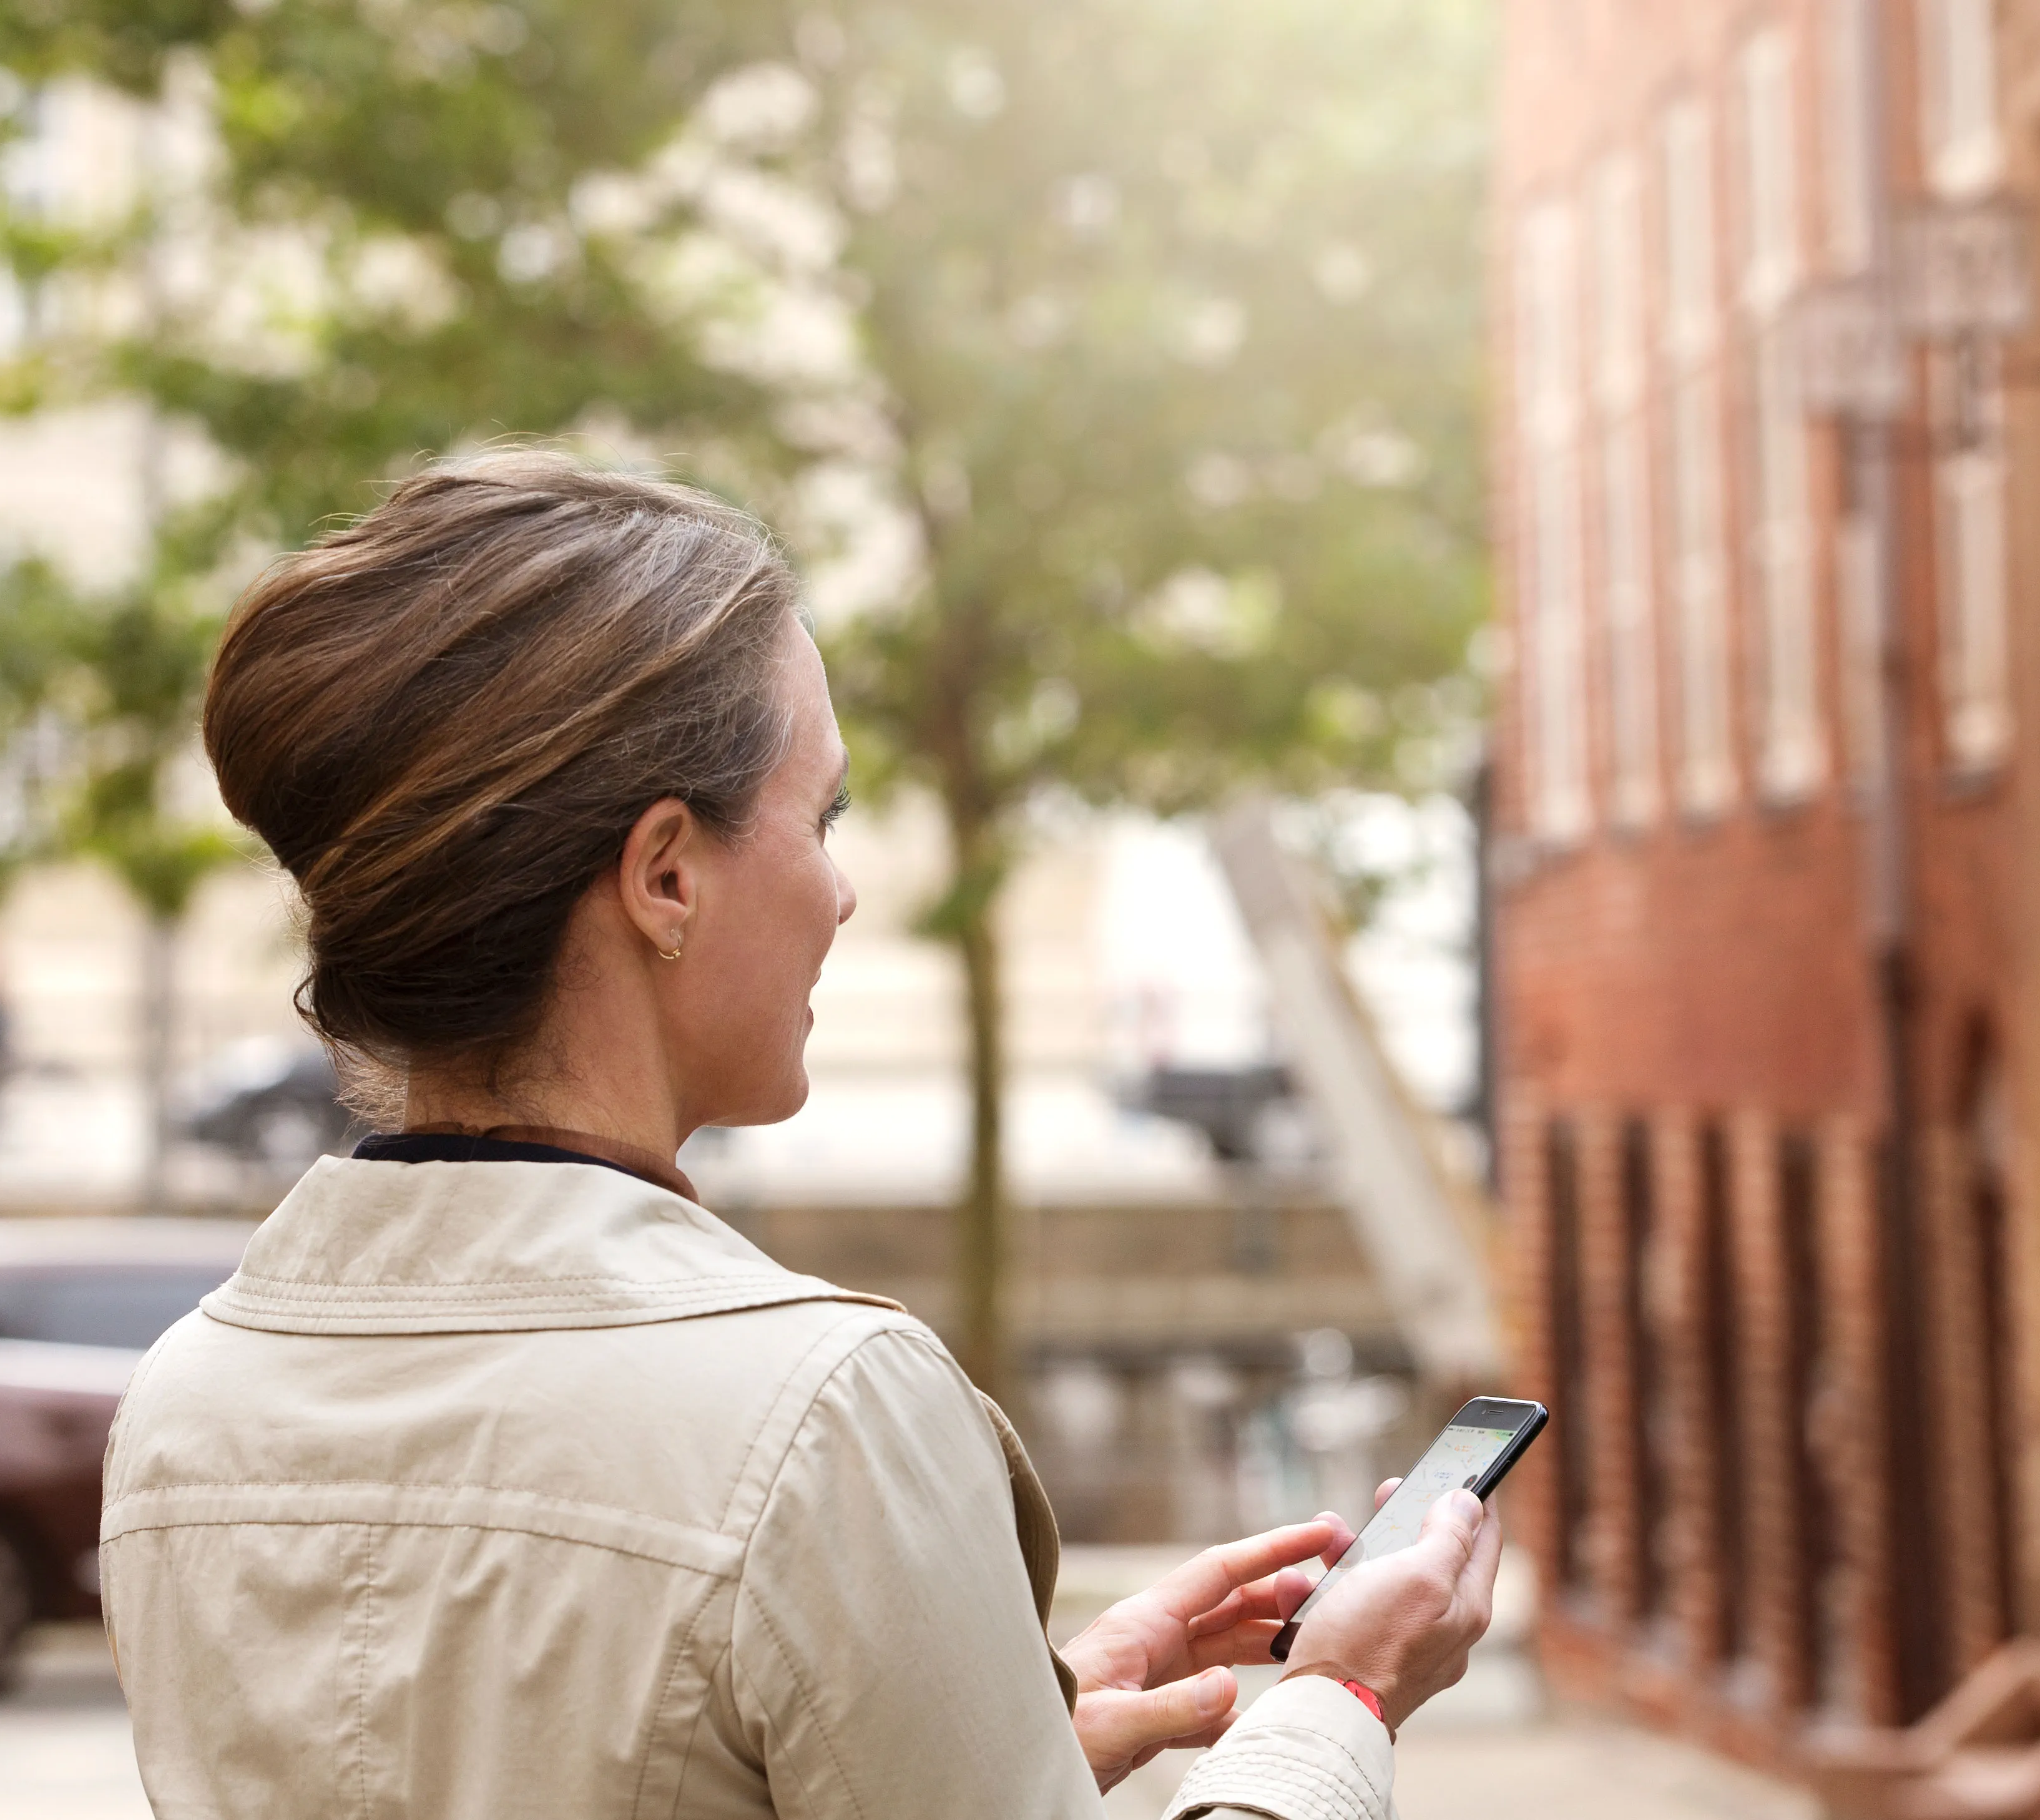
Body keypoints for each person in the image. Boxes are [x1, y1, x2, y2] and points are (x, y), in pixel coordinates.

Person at [102, 451, 1504, 1818]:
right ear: (665, 876)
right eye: (820, 817)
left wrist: (1015, 1729)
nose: (839, 895)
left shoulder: (185, 1408)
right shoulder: (821, 1418)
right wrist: (1342, 1700)